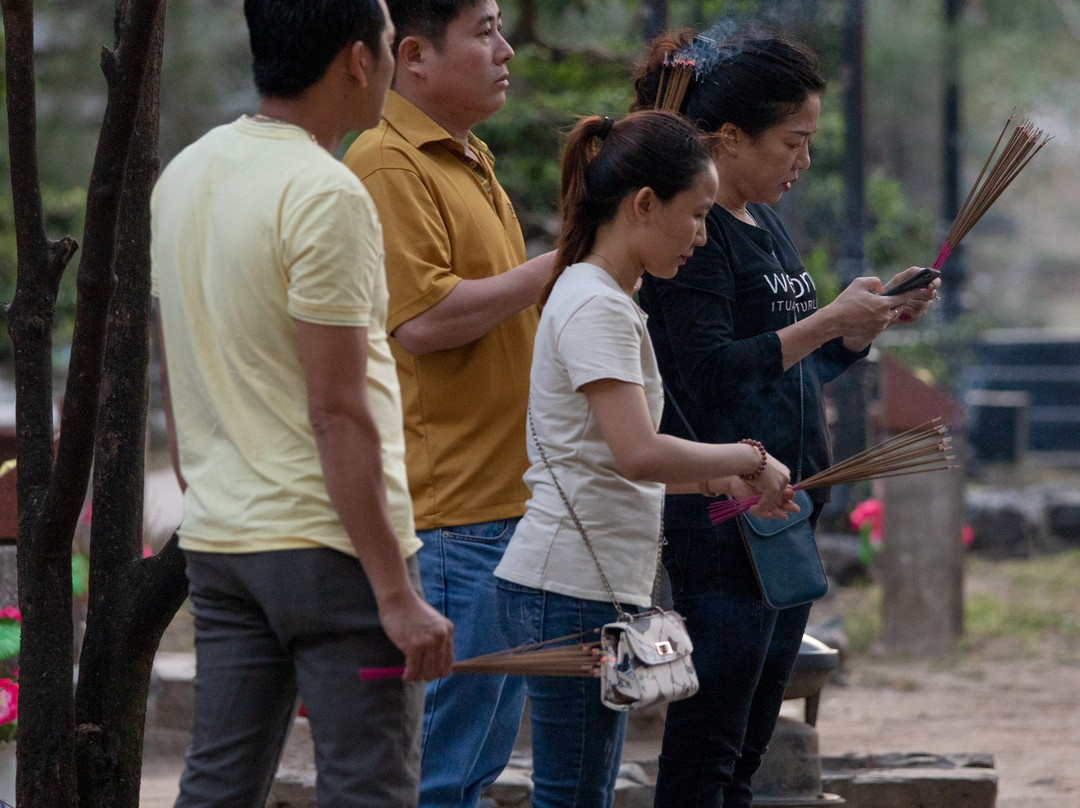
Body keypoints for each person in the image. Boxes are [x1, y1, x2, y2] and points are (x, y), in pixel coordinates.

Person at [151, 1, 453, 805]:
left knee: (218, 784)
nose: (392, 60)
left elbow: (173, 361)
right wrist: (395, 593)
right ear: (359, 60)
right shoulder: (328, 191)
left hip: (222, 539)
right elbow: (338, 410)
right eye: (391, 45)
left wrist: (205, 485)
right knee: (369, 788)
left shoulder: (184, 174)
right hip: (333, 550)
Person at [630, 27, 940, 808]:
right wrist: (826, 320)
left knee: (747, 753)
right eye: (792, 141)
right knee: (710, 744)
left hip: (784, 509)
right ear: (728, 139)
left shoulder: (761, 217)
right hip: (723, 517)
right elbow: (704, 376)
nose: (803, 160)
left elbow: (791, 369)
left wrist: (858, 330)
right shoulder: (694, 237)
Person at [494, 110, 797, 808]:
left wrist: (727, 481)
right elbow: (636, 453)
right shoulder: (594, 304)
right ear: (642, 205)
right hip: (567, 585)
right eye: (695, 215)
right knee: (572, 795)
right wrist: (749, 456)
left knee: (582, 791)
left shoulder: (604, 298)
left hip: (587, 584)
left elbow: (611, 457)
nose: (703, 232)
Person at [342, 2, 553, 805]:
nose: (504, 49)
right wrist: (566, 258)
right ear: (417, 55)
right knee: (437, 771)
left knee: (468, 768)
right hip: (450, 516)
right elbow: (424, 321)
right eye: (485, 30)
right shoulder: (389, 165)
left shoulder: (466, 156)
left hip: (503, 501)